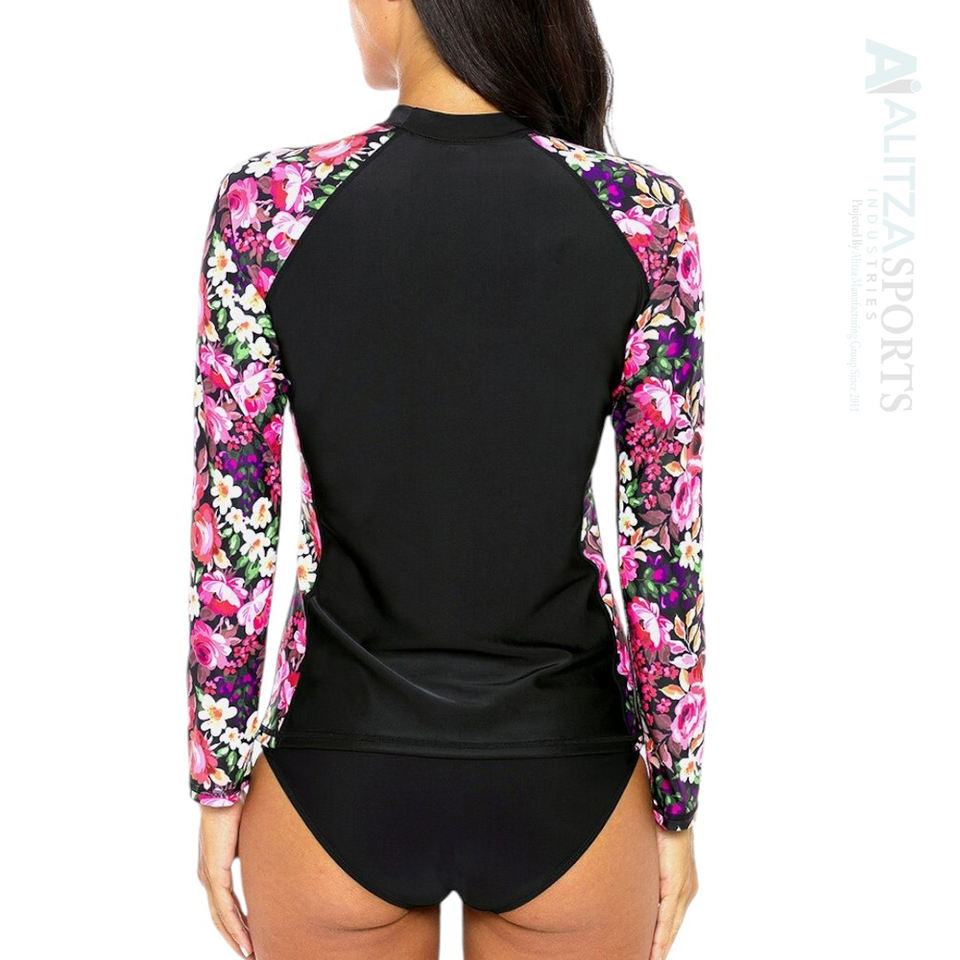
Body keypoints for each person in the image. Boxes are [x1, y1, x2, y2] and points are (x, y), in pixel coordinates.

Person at [186, 1, 706, 957]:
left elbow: (234, 531)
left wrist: (217, 785)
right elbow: (663, 546)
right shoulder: (643, 215)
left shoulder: (269, 206)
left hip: (337, 766)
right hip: (569, 772)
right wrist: (675, 795)